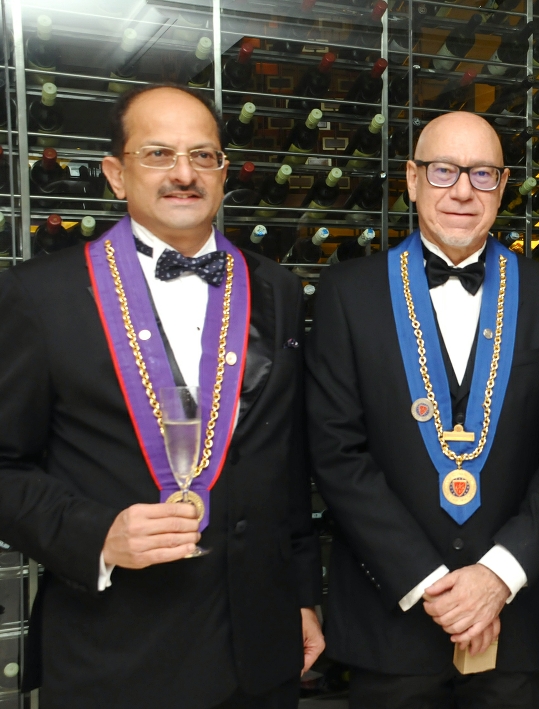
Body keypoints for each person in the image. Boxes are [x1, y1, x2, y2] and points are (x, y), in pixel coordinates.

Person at [0, 84, 322, 708]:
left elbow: (286, 459)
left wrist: (304, 595)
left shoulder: (277, 288)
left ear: (223, 173)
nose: (184, 174)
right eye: (157, 154)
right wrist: (98, 534)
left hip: (260, 649)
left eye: (203, 156)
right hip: (116, 655)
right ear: (116, 174)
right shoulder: (39, 296)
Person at [305, 111, 539, 708]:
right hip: (391, 625)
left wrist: (497, 574)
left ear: (502, 186)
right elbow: (335, 453)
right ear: (411, 179)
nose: (462, 191)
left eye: (482, 174)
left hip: (513, 622)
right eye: (443, 171)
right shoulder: (346, 294)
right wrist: (430, 583)